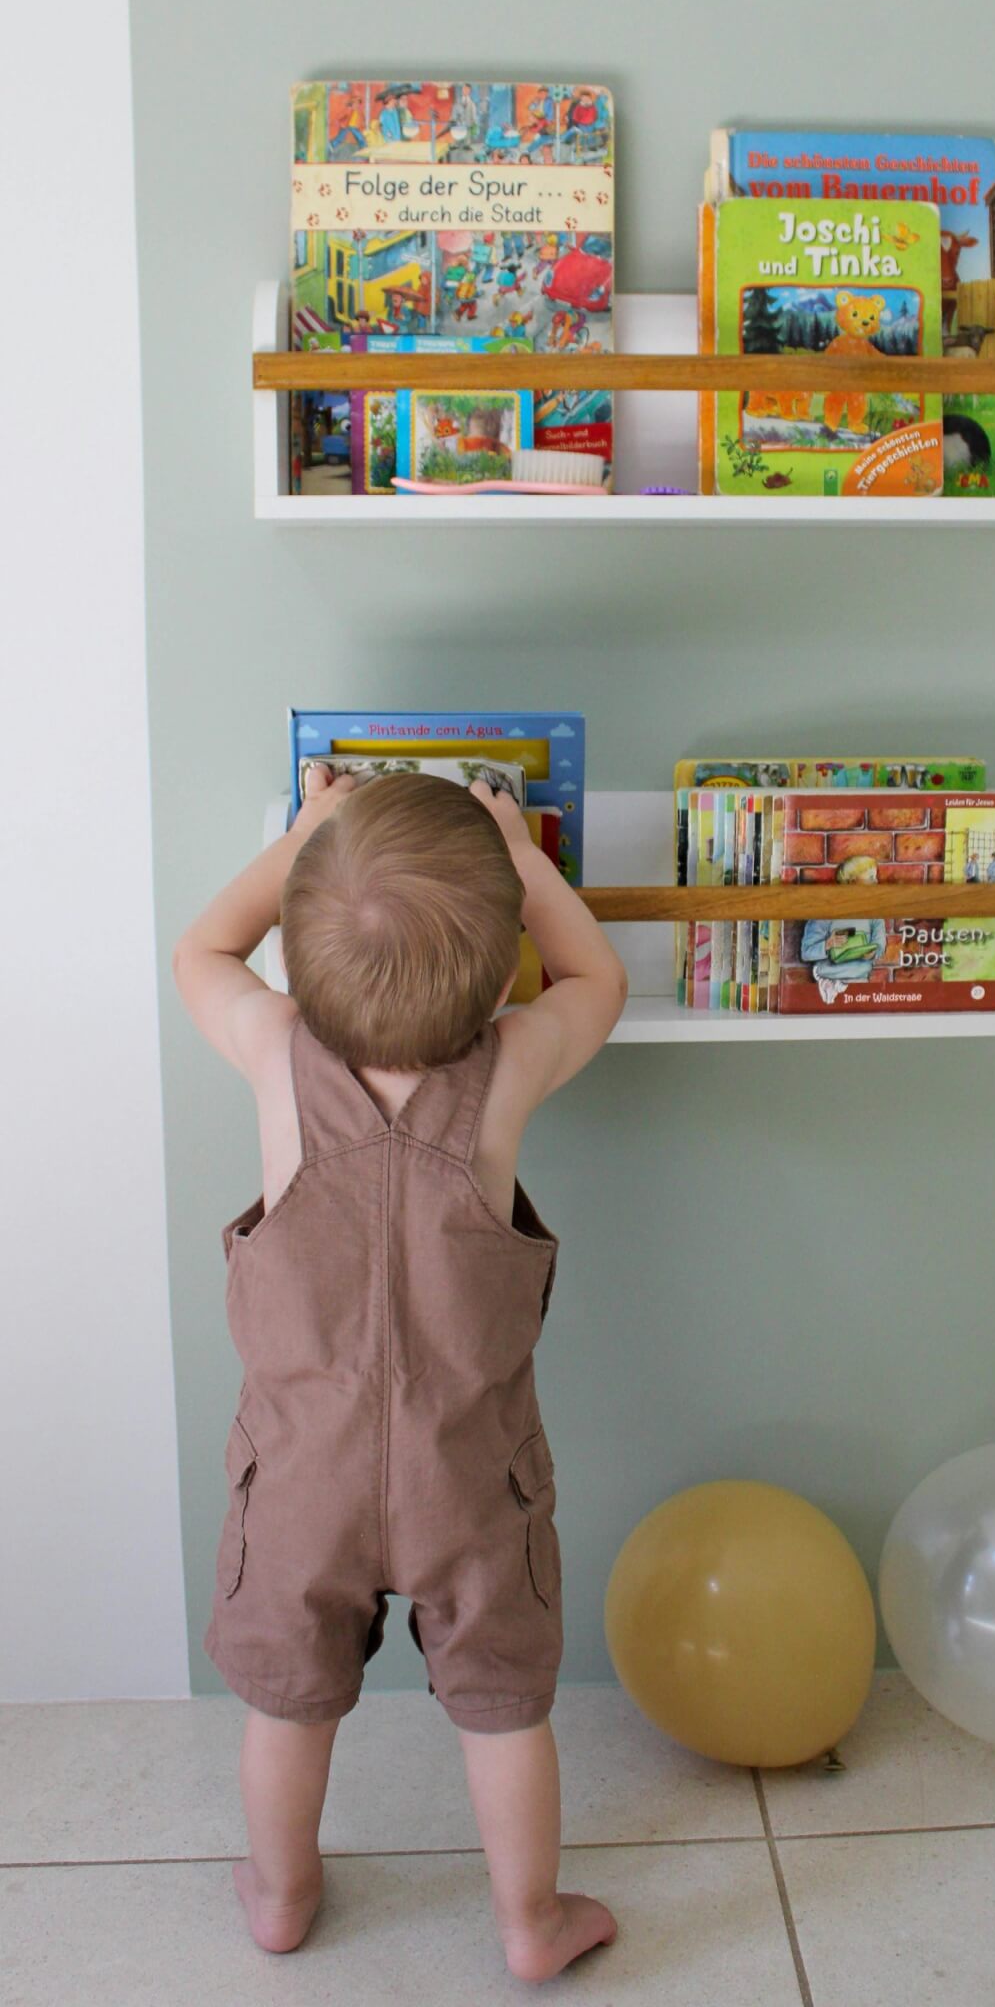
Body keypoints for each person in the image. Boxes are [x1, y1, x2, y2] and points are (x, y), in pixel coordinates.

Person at [172, 767, 626, 1979]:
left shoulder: (274, 1051)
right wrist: (518, 858)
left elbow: (206, 947)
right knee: (502, 1704)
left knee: (288, 1699)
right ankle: (529, 1921)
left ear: (305, 960)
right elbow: (599, 980)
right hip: (468, 1475)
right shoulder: (508, 1070)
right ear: (493, 973)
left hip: (302, 1477)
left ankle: (280, 1892)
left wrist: (307, 838)